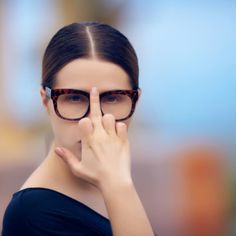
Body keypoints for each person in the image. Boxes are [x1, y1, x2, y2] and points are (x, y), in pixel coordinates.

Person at [2, 22, 155, 236]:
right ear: (45, 101)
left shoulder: (112, 182)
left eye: (112, 98)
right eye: (74, 97)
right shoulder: (32, 215)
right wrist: (119, 186)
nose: (92, 120)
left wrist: (117, 185)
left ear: (135, 101)